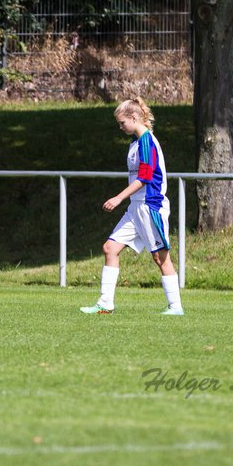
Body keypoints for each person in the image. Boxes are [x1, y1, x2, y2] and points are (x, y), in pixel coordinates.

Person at [80, 97, 184, 316]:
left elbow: (145, 178)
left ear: (134, 118)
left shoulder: (147, 141)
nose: (120, 127)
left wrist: (118, 198)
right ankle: (105, 303)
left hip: (150, 206)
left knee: (160, 257)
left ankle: (175, 306)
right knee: (110, 248)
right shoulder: (135, 143)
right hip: (135, 208)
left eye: (122, 123)